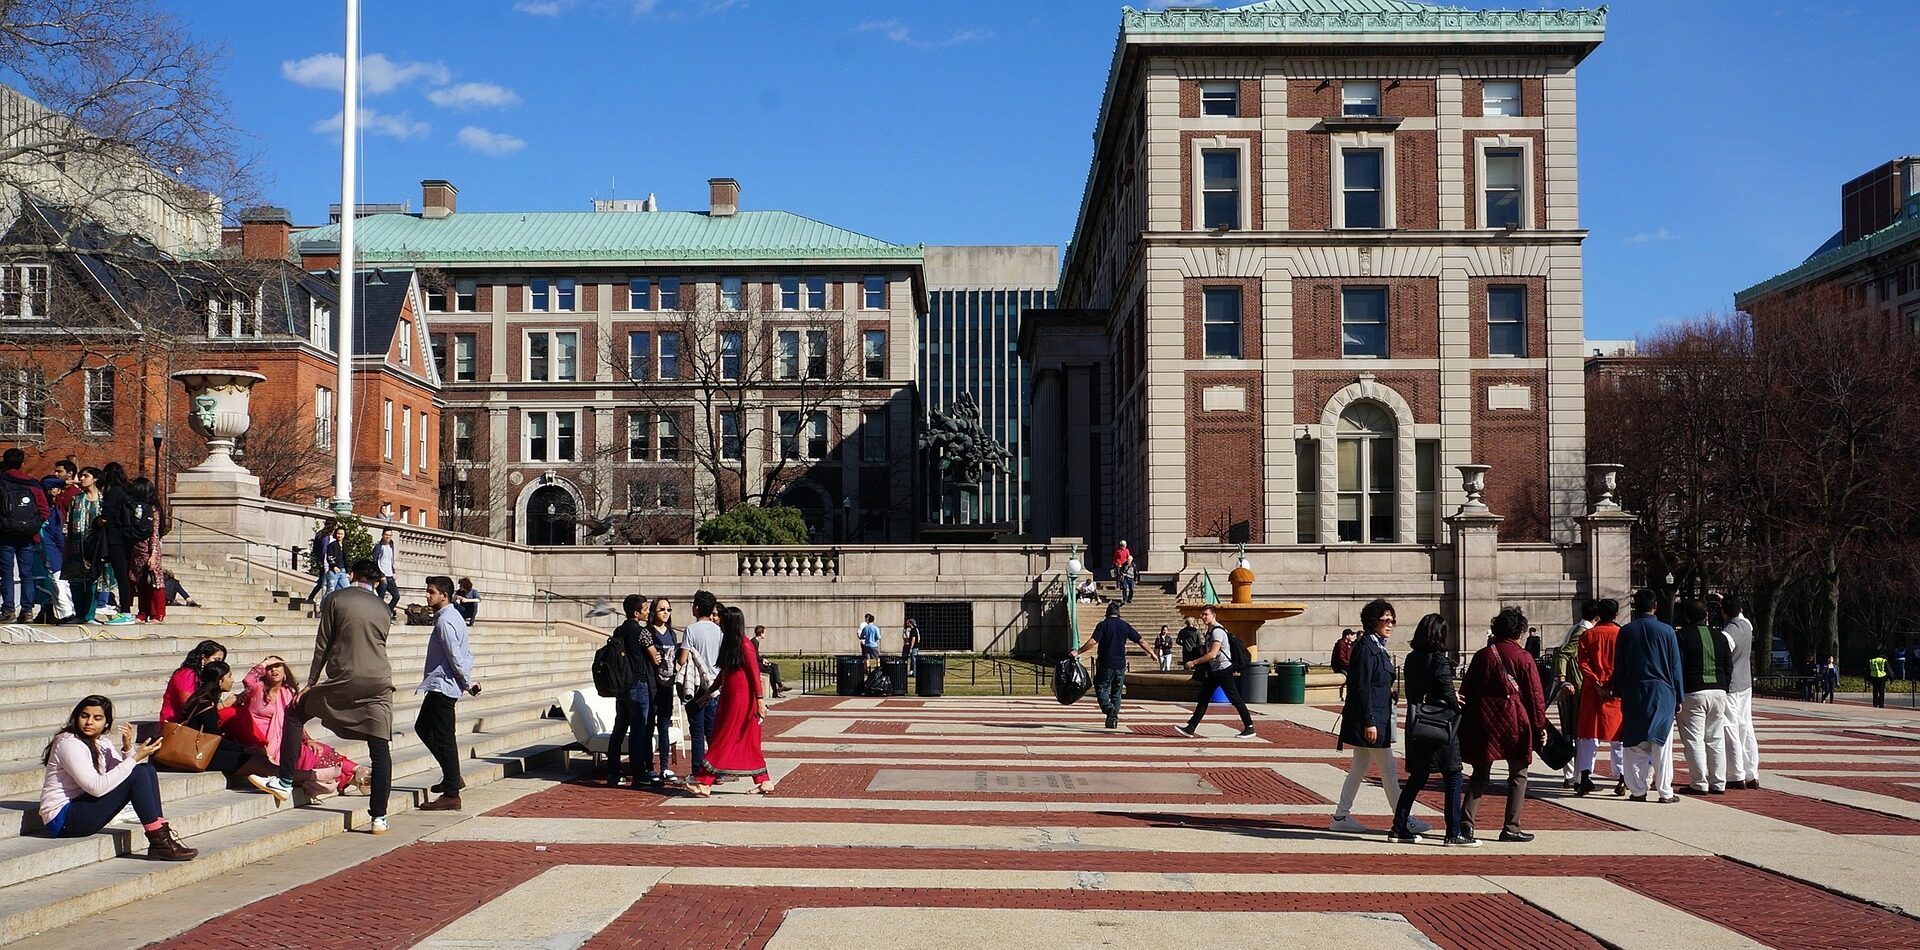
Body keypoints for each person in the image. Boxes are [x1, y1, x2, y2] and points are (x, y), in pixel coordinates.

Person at [250, 559, 395, 834]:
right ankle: (379, 816)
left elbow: (323, 643)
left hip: (346, 677)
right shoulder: (383, 607)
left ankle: (284, 779)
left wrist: (311, 683)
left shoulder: (336, 598)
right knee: (380, 748)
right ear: (375, 579)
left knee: (295, 712)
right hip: (379, 681)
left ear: (352, 574)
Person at [39, 695, 196, 860]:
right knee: (139, 772)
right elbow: (96, 787)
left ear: (106, 723)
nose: (89, 722)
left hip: (83, 807)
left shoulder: (102, 742)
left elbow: (121, 775)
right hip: (63, 819)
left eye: (97, 718)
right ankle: (160, 842)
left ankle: (161, 837)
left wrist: (128, 748)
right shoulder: (68, 744)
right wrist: (135, 757)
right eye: (84, 716)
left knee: (146, 769)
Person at [1460, 606, 1547, 843]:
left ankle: (1466, 823)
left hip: (1484, 720)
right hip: (1514, 720)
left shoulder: (1482, 655)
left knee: (1480, 773)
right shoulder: (1523, 657)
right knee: (1518, 774)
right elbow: (1535, 696)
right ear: (1518, 631)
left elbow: (1466, 690)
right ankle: (1511, 826)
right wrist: (1540, 727)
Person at [1332, 599, 1419, 834]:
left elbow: (1375, 681)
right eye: (1385, 620)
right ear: (1373, 621)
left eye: (1392, 620)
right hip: (1371, 720)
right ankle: (1403, 817)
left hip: (1377, 716)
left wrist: (1388, 691)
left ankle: (1341, 816)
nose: (1390, 624)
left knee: (1359, 767)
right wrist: (1369, 721)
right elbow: (1360, 687)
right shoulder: (1365, 648)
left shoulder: (1378, 646)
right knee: (1389, 769)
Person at [230, 656, 365, 798]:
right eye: (270, 667)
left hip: (285, 738)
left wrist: (308, 739)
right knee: (305, 755)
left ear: (285, 671)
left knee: (318, 749)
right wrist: (263, 663)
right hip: (260, 742)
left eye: (277, 666)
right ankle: (355, 775)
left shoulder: (288, 691)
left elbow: (295, 722)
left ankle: (356, 775)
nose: (274, 669)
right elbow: (248, 681)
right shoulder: (257, 689)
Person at [1392, 614, 1469, 846]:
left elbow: (1415, 691)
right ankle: (1453, 832)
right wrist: (1456, 702)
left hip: (1418, 723)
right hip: (1440, 724)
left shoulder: (1412, 659)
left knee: (1417, 777)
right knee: (1454, 776)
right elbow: (1446, 691)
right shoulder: (1439, 661)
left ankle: (1398, 826)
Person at [686, 605, 773, 796]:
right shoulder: (731, 645)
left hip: (742, 701)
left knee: (723, 739)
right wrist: (708, 694)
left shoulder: (745, 646)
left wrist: (759, 701)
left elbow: (754, 674)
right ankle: (763, 780)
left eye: (719, 617)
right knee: (748, 742)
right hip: (730, 698)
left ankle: (704, 781)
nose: (716, 620)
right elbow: (723, 675)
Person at [415, 575, 478, 810]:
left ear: (444, 595)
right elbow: (465, 653)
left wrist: (468, 682)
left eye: (431, 592)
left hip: (443, 686)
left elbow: (456, 656)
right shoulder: (453, 617)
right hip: (440, 684)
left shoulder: (445, 621)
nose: (427, 595)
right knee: (423, 728)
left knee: (444, 737)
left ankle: (452, 792)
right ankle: (452, 777)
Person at [1615, 589, 1683, 803]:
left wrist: (1617, 690)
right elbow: (1675, 667)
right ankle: (1665, 791)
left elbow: (1620, 666)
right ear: (1656, 606)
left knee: (1634, 744)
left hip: (1634, 690)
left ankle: (1637, 790)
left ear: (1635, 606)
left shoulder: (1626, 632)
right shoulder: (1667, 631)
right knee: (1661, 744)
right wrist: (1679, 696)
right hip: (1662, 691)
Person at [604, 594, 665, 786]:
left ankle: (613, 771)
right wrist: (660, 657)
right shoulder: (641, 632)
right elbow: (654, 657)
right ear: (636, 612)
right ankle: (639, 773)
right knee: (639, 730)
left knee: (619, 728)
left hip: (622, 686)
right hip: (638, 683)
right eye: (645, 609)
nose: (648, 612)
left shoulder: (619, 630)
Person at [1674, 599, 1733, 795]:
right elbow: (1728, 666)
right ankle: (1718, 782)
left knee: (1694, 739)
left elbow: (1678, 667)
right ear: (1706, 615)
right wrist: (1724, 687)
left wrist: (1677, 693)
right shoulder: (1720, 636)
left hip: (1693, 692)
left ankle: (1699, 782)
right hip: (1719, 691)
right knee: (1715, 738)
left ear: (1686, 616)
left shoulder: (1682, 636)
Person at [1175, 604, 1256, 739]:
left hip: (1223, 670)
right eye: (1202, 614)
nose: (1203, 617)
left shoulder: (1217, 631)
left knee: (1235, 698)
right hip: (1215, 670)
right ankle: (1191, 728)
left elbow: (1213, 654)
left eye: (1206, 614)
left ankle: (1249, 727)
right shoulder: (1210, 631)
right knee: (1203, 698)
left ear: (1214, 615)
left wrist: (1194, 662)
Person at [1076, 601, 1159, 729]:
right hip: (1120, 664)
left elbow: (1093, 641)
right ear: (1118, 614)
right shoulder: (1124, 626)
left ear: (1107, 613)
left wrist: (1079, 652)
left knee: (1101, 686)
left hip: (1106, 662)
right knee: (1117, 691)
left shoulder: (1103, 625)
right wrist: (1152, 652)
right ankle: (1113, 718)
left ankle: (1109, 709)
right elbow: (1140, 640)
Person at [1574, 598, 1626, 797]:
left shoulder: (1588, 635)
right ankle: (1622, 779)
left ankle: (1585, 776)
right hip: (1616, 691)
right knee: (1618, 737)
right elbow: (1624, 663)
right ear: (1616, 614)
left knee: (1589, 735)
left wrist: (1597, 684)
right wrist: (1611, 685)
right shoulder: (1621, 635)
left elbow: (1583, 664)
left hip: (1592, 692)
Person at [166, 661, 253, 777]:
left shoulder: (202, 699)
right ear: (220, 681)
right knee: (251, 759)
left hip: (202, 747)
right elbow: (215, 738)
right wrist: (244, 749)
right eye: (229, 676)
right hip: (198, 752)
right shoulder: (205, 705)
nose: (232, 680)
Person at [1711, 593, 1759, 789]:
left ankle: (1736, 773)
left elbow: (1723, 657)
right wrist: (1726, 600)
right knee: (1746, 726)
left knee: (1730, 727)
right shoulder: (1746, 625)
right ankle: (1752, 773)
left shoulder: (1727, 634)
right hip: (1745, 682)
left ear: (1723, 612)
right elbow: (1742, 614)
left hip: (1731, 686)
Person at [1552, 600, 1600, 786]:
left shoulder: (1575, 629)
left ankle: (1572, 775)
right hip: (1576, 688)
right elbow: (1563, 654)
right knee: (1577, 733)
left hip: (1574, 686)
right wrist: (1562, 679)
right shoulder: (1583, 632)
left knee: (1572, 733)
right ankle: (1574, 775)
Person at [0, 447, 50, 624]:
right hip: (28, 535)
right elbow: (45, 510)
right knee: (26, 573)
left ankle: (8, 610)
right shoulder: (33, 484)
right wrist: (33, 525)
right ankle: (27, 611)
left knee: (6, 573)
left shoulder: (2, 482)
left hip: (5, 534)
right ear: (22, 463)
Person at [679, 590, 723, 778]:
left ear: (696, 607)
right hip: (714, 685)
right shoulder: (718, 630)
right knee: (712, 732)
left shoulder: (691, 630)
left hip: (696, 685)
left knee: (697, 732)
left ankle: (698, 771)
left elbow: (683, 659)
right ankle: (716, 771)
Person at [61, 467, 104, 625]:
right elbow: (68, 523)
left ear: (95, 479)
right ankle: (79, 613)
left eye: (86, 476)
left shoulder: (103, 500)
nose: (82, 478)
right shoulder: (77, 499)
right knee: (76, 580)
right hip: (77, 546)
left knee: (94, 579)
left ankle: (90, 614)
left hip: (96, 547)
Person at [645, 596, 680, 783]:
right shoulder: (649, 632)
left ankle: (664, 767)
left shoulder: (671, 633)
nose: (666, 612)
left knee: (664, 727)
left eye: (668, 609)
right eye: (662, 609)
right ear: (654, 612)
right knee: (649, 726)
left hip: (667, 685)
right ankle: (648, 766)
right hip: (652, 685)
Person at [30, 459, 70, 624]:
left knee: (56, 581)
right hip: (44, 548)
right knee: (49, 581)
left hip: (54, 549)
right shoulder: (44, 503)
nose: (55, 489)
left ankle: (62, 612)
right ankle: (52, 611)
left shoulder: (57, 506)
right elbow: (46, 481)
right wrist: (67, 481)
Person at [97, 461, 137, 625]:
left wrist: (97, 522)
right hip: (126, 538)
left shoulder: (114, 493)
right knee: (124, 575)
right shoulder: (128, 491)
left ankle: (125, 612)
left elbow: (106, 517)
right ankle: (126, 609)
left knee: (120, 575)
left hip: (114, 538)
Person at [158, 639, 227, 724]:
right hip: (177, 725)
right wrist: (224, 705)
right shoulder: (187, 674)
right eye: (216, 660)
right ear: (203, 658)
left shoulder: (202, 675)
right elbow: (189, 707)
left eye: (221, 661)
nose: (219, 664)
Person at [127, 477, 165, 624]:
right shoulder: (135, 508)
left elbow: (154, 533)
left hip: (149, 550)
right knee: (141, 583)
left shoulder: (153, 510)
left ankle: (157, 614)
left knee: (155, 581)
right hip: (136, 550)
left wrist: (153, 553)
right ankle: (143, 611)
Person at [752, 625, 788, 697]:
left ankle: (776, 691)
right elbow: (754, 655)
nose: (765, 634)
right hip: (756, 664)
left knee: (773, 668)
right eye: (764, 632)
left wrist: (762, 660)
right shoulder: (754, 642)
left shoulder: (755, 641)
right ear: (761, 633)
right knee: (773, 667)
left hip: (758, 662)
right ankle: (779, 686)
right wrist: (762, 660)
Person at [373, 529, 400, 619]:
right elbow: (375, 561)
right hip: (382, 576)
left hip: (390, 575)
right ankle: (379, 616)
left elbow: (390, 561)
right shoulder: (379, 546)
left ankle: (387, 611)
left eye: (390, 535)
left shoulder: (391, 545)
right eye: (386, 535)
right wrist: (381, 575)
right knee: (381, 598)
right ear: (382, 535)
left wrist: (393, 572)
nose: (388, 537)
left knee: (396, 596)